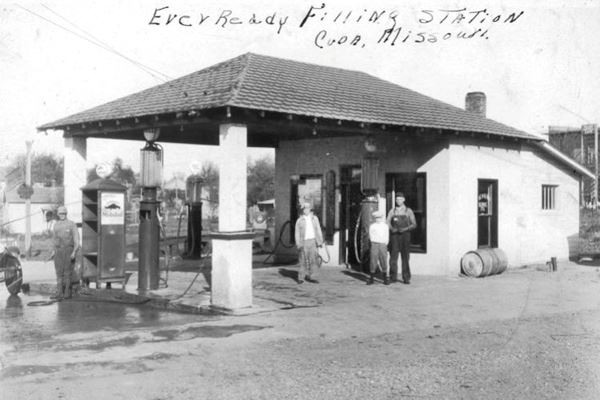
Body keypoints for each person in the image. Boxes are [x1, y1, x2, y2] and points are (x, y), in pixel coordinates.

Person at [49, 206, 80, 299]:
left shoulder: (71, 224)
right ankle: (59, 292)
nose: (62, 215)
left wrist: (74, 251)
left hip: (68, 250)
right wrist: (53, 251)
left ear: (66, 214)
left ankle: (67, 293)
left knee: (67, 272)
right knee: (58, 272)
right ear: (58, 214)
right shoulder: (56, 225)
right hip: (58, 251)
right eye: (60, 213)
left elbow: (77, 240)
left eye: (64, 213)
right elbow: (54, 239)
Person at [386, 193, 417, 284]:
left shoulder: (408, 211)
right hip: (395, 236)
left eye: (400, 199)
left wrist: (405, 229)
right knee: (393, 258)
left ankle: (406, 277)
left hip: (405, 236)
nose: (398, 201)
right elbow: (387, 222)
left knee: (405, 258)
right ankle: (392, 277)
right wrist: (392, 228)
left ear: (404, 200)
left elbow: (414, 224)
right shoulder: (392, 211)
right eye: (396, 199)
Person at [294, 202, 324, 284]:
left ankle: (313, 277)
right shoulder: (299, 220)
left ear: (310, 209)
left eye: (307, 208)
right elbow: (297, 233)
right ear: (302, 210)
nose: (306, 210)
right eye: (304, 208)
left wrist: (320, 241)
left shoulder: (315, 219)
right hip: (303, 242)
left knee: (313, 260)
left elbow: (318, 229)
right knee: (302, 260)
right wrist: (298, 244)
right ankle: (301, 278)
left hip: (313, 241)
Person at [367, 210, 390, 285]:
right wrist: (373, 242)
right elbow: (370, 236)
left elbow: (387, 236)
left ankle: (385, 278)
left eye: (379, 218)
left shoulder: (385, 226)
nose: (378, 219)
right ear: (374, 218)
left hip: (383, 244)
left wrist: (385, 243)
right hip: (374, 244)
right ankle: (371, 278)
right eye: (376, 218)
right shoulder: (372, 226)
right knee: (373, 260)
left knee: (383, 260)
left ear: (382, 218)